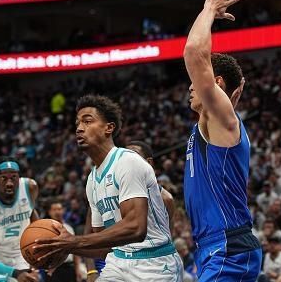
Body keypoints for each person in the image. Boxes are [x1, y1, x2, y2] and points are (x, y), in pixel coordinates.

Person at [35, 95, 183, 281]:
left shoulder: (128, 161)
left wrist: (75, 240)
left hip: (154, 263)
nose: (79, 128)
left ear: (109, 128)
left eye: (87, 121)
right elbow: (103, 244)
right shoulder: (92, 180)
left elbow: (136, 228)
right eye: (77, 123)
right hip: (118, 261)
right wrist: (63, 247)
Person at [183, 0, 262, 280]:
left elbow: (193, 52)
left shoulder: (224, 119)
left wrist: (209, 9)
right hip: (211, 247)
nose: (191, 85)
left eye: (196, 80)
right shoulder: (210, 123)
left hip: (229, 248)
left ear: (215, 82)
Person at [83, 140, 176, 281]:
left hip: (150, 263)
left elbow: (166, 240)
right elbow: (90, 232)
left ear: (148, 163)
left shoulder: (166, 199)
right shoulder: (106, 190)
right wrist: (90, 270)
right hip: (114, 259)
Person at [45, 199, 82, 282]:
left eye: (59, 209)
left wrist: (78, 269)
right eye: (54, 210)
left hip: (69, 267)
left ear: (63, 211)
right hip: (53, 269)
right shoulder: (45, 229)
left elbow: (75, 251)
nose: (57, 212)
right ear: (49, 212)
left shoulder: (69, 228)